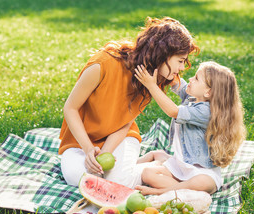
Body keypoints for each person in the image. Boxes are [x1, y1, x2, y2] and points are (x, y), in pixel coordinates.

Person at [59, 17, 200, 187]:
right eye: (180, 61)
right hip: (80, 141)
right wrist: (89, 150)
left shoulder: (151, 79)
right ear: (163, 55)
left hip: (121, 137)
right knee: (79, 178)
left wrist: (105, 153)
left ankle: (155, 165)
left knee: (117, 181)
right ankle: (148, 164)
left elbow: (126, 122)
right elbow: (70, 108)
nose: (183, 67)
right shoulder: (102, 65)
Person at [134, 61, 246, 195]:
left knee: (203, 183)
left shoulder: (207, 112)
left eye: (196, 78)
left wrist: (151, 86)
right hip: (182, 166)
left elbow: (173, 111)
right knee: (147, 173)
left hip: (201, 171)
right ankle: (183, 190)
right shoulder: (195, 98)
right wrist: (164, 64)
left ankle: (162, 191)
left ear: (208, 92)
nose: (191, 79)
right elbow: (176, 82)